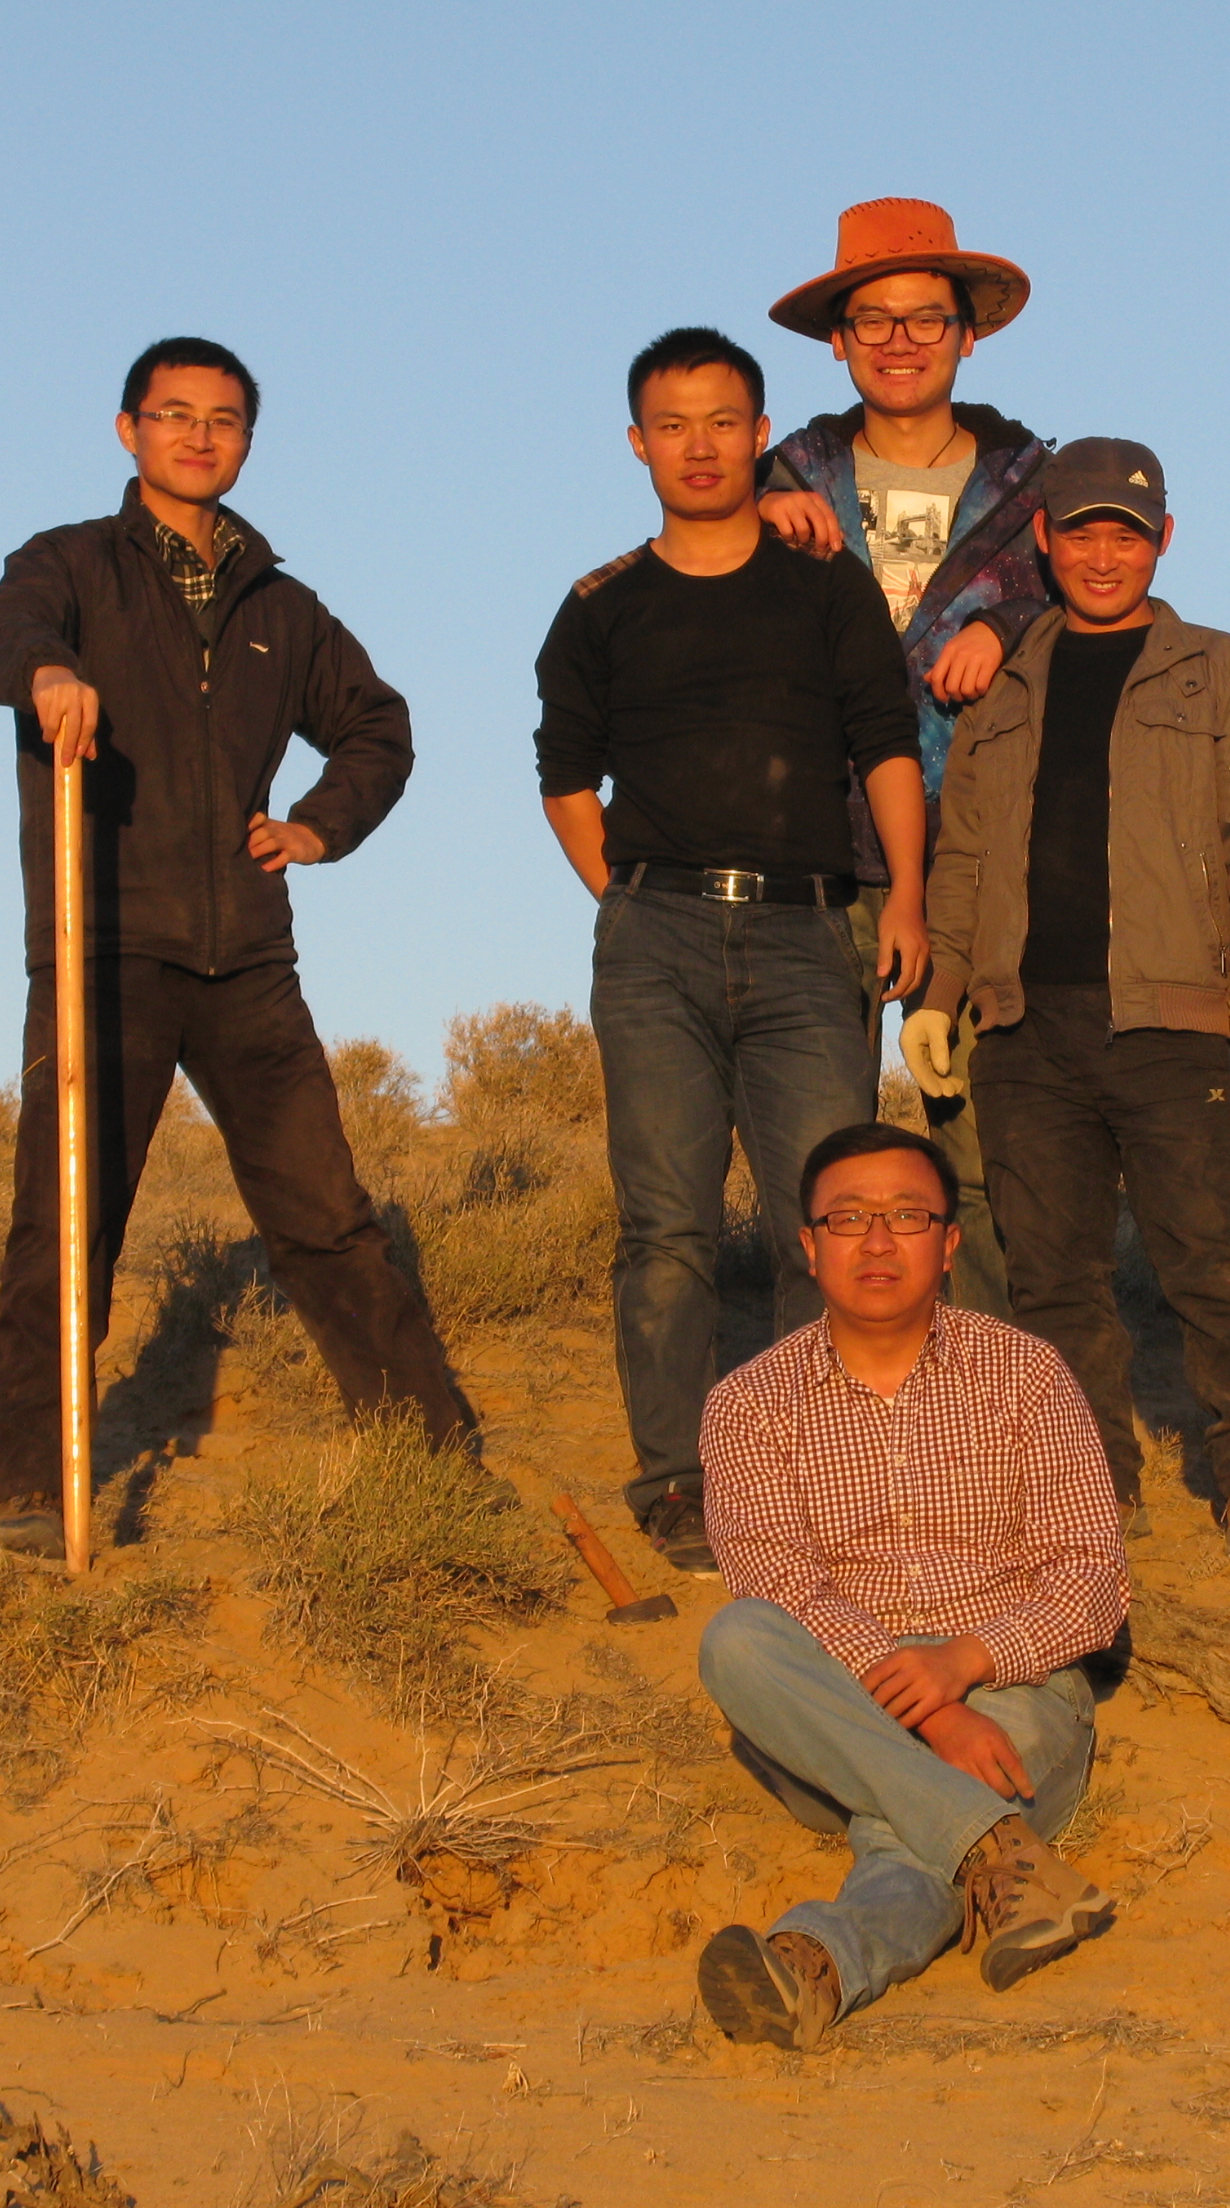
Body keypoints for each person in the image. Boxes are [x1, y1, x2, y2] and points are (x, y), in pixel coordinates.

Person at [0, 338, 477, 1557]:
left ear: (247, 441)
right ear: (127, 429)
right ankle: (33, 1485)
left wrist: (318, 825)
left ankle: (433, 1462)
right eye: (174, 414)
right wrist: (46, 672)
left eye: (224, 419)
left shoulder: (281, 609)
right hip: (103, 946)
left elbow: (378, 726)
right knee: (66, 1218)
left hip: (246, 956)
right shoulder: (69, 565)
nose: (199, 435)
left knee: (328, 1216)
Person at [533, 328, 928, 1577]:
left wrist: (907, 899)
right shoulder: (600, 606)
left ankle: (819, 1476)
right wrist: (631, 897)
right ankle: (676, 1480)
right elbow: (564, 775)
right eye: (672, 424)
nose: (697, 446)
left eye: (722, 422)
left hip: (814, 931)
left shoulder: (825, 587)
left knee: (832, 1215)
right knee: (669, 1224)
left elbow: (885, 745)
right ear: (637, 443)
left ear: (762, 435)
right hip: (655, 940)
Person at [904, 439, 1230, 1560]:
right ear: (1043, 539)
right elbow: (964, 853)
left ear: (1163, 540)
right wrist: (941, 992)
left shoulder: (1220, 670)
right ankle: (1093, 1481)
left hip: (1169, 1015)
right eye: (1080, 531)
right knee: (1052, 1272)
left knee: (1210, 1255)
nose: (1101, 555)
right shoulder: (1003, 684)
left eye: (1125, 535)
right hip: (1022, 1024)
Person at [692, 1121, 1127, 2050]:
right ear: (809, 1246)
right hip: (833, 1714)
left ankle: (816, 1965)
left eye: (907, 1216)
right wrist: (927, 1711)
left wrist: (964, 1663)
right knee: (737, 1639)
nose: (878, 1241)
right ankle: (997, 1847)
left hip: (1010, 1696)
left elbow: (1092, 1577)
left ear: (950, 1241)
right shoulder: (748, 1404)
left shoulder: (1026, 1375)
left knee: (906, 1831)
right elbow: (777, 1579)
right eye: (848, 1219)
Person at [756, 199, 1057, 1315]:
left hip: (980, 852)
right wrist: (752, 528)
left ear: (968, 333)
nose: (900, 341)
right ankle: (818, 1392)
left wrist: (1012, 626)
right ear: (838, 340)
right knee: (818, 1151)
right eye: (873, 320)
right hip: (816, 855)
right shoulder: (780, 478)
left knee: (981, 1145)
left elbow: (1101, 608)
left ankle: (987, 1385)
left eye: (925, 318)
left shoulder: (1036, 485)